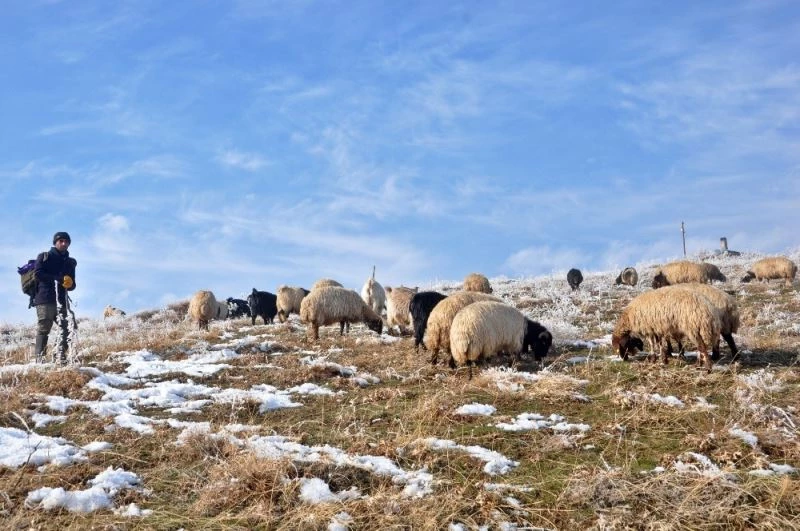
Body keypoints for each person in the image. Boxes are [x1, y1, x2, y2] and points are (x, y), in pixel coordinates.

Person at [33, 231, 77, 364]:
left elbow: (72, 285)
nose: (63, 244)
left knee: (69, 327)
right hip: (45, 299)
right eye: (61, 241)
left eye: (66, 242)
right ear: (55, 243)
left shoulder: (70, 262)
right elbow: (38, 274)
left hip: (62, 301)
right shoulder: (44, 257)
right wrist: (58, 278)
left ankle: (59, 357)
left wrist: (70, 284)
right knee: (44, 328)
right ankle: (39, 360)